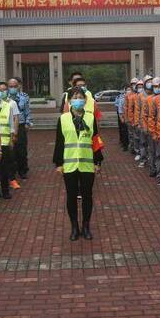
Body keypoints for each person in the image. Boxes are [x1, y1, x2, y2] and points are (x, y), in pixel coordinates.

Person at [53, 87, 103, 241]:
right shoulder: (63, 119)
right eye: (74, 97)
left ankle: (86, 226)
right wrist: (59, 164)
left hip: (87, 165)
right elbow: (59, 143)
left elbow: (95, 141)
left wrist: (98, 161)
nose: (77, 100)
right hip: (69, 165)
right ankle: (74, 227)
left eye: (80, 97)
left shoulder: (90, 118)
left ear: (85, 100)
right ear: (69, 101)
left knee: (87, 196)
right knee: (71, 196)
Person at [8, 77, 32, 180]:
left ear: (18, 86)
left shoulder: (24, 97)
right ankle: (12, 171)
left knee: (21, 149)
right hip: (9, 126)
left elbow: (27, 110)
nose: (13, 88)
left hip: (21, 125)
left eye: (15, 86)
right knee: (11, 150)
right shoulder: (5, 98)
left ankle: (23, 170)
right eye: (11, 86)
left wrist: (28, 122)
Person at [147, 77, 160, 178]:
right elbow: (150, 117)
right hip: (154, 131)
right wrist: (152, 131)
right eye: (155, 86)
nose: (157, 88)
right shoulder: (150, 99)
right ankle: (153, 169)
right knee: (154, 152)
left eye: (158, 86)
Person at [138, 75, 154, 168]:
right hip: (142, 122)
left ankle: (151, 160)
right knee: (143, 142)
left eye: (151, 81)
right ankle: (143, 159)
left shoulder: (154, 94)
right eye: (148, 81)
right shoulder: (140, 96)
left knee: (151, 145)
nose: (150, 83)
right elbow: (138, 110)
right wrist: (139, 123)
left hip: (152, 124)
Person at [125, 78, 139, 155]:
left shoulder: (139, 95)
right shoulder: (128, 95)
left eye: (135, 84)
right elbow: (126, 107)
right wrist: (127, 118)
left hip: (137, 119)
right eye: (133, 84)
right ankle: (133, 148)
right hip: (130, 119)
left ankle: (137, 150)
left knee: (137, 136)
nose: (134, 86)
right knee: (131, 135)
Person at [115, 84, 129, 151]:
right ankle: (125, 145)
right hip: (124, 118)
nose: (129, 91)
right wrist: (122, 118)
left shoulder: (134, 98)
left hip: (131, 119)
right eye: (127, 90)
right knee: (124, 132)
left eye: (130, 89)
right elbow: (120, 110)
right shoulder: (122, 99)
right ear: (125, 91)